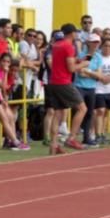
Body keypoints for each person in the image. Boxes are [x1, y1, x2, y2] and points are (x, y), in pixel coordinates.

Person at [44, 24, 87, 155]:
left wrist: (78, 60)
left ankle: (53, 145)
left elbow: (64, 61)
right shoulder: (69, 46)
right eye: (75, 33)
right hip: (63, 82)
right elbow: (71, 69)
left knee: (58, 113)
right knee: (82, 108)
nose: (77, 35)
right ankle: (71, 138)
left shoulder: (56, 45)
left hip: (53, 82)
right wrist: (84, 64)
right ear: (71, 33)